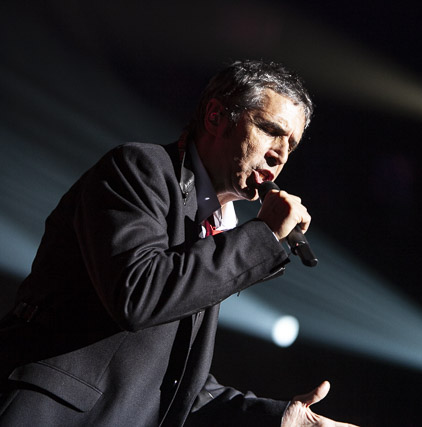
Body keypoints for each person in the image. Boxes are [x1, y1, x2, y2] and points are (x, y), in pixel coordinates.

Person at [0, 60, 356, 427]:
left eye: (290, 144)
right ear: (216, 116)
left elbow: (180, 387)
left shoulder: (217, 232)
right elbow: (138, 295)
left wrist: (283, 420)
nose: (280, 154)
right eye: (269, 129)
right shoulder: (139, 169)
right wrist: (262, 235)